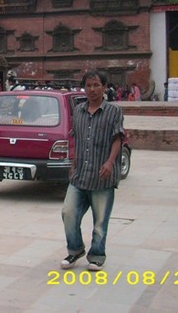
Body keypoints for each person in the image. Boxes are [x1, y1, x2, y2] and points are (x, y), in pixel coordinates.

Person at [60, 69, 125, 271]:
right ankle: (75, 249)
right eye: (88, 85)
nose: (92, 89)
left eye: (96, 85)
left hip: (102, 176)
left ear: (104, 87)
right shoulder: (78, 111)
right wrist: (73, 164)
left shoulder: (113, 112)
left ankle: (97, 255)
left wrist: (110, 162)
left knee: (100, 222)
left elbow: (118, 139)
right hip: (80, 175)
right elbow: (77, 139)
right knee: (68, 212)